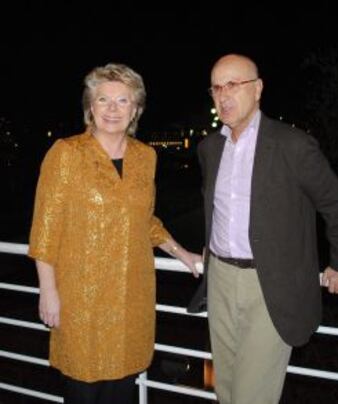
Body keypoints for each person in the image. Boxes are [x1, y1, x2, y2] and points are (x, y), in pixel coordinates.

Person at [188, 54, 338, 404]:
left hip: (271, 284)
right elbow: (217, 208)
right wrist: (209, 245)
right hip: (219, 278)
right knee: (226, 389)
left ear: (258, 89)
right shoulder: (210, 148)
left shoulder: (292, 145)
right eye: (216, 87)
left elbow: (336, 204)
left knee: (253, 396)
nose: (223, 95)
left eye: (233, 85)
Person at [28, 63, 202, 404]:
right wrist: (48, 291)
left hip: (130, 298)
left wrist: (184, 254)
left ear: (136, 109)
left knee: (122, 390)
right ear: (90, 107)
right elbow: (45, 228)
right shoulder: (66, 153)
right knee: (84, 389)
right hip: (81, 301)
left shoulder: (145, 157)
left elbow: (144, 220)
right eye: (103, 100)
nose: (112, 109)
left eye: (123, 101)